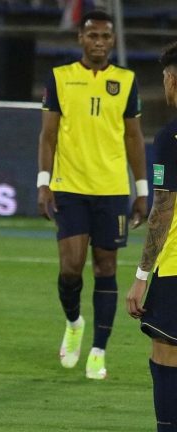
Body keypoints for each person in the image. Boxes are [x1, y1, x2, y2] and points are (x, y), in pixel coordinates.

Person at [37, 10, 147, 380]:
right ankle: (73, 323)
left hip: (113, 189)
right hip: (69, 186)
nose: (99, 42)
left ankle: (99, 350)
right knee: (70, 267)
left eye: (105, 37)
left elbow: (133, 137)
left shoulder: (126, 81)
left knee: (106, 267)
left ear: (112, 41)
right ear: (80, 40)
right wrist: (43, 181)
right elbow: (48, 135)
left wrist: (142, 189)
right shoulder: (61, 78)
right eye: (92, 35)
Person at [126, 41, 177, 432]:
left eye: (164, 79)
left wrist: (142, 277)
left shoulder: (170, 137)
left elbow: (162, 210)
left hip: (175, 267)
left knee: (166, 352)